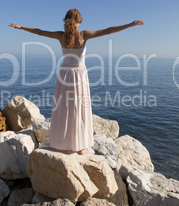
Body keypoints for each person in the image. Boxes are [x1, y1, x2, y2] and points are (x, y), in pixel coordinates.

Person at [9, 9, 144, 154]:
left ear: (65, 20)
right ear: (79, 21)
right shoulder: (83, 35)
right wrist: (130, 25)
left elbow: (40, 32)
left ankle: (61, 142)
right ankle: (81, 146)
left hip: (65, 74)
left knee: (63, 109)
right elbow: (108, 31)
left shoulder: (61, 36)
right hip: (79, 75)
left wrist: (21, 27)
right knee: (79, 109)